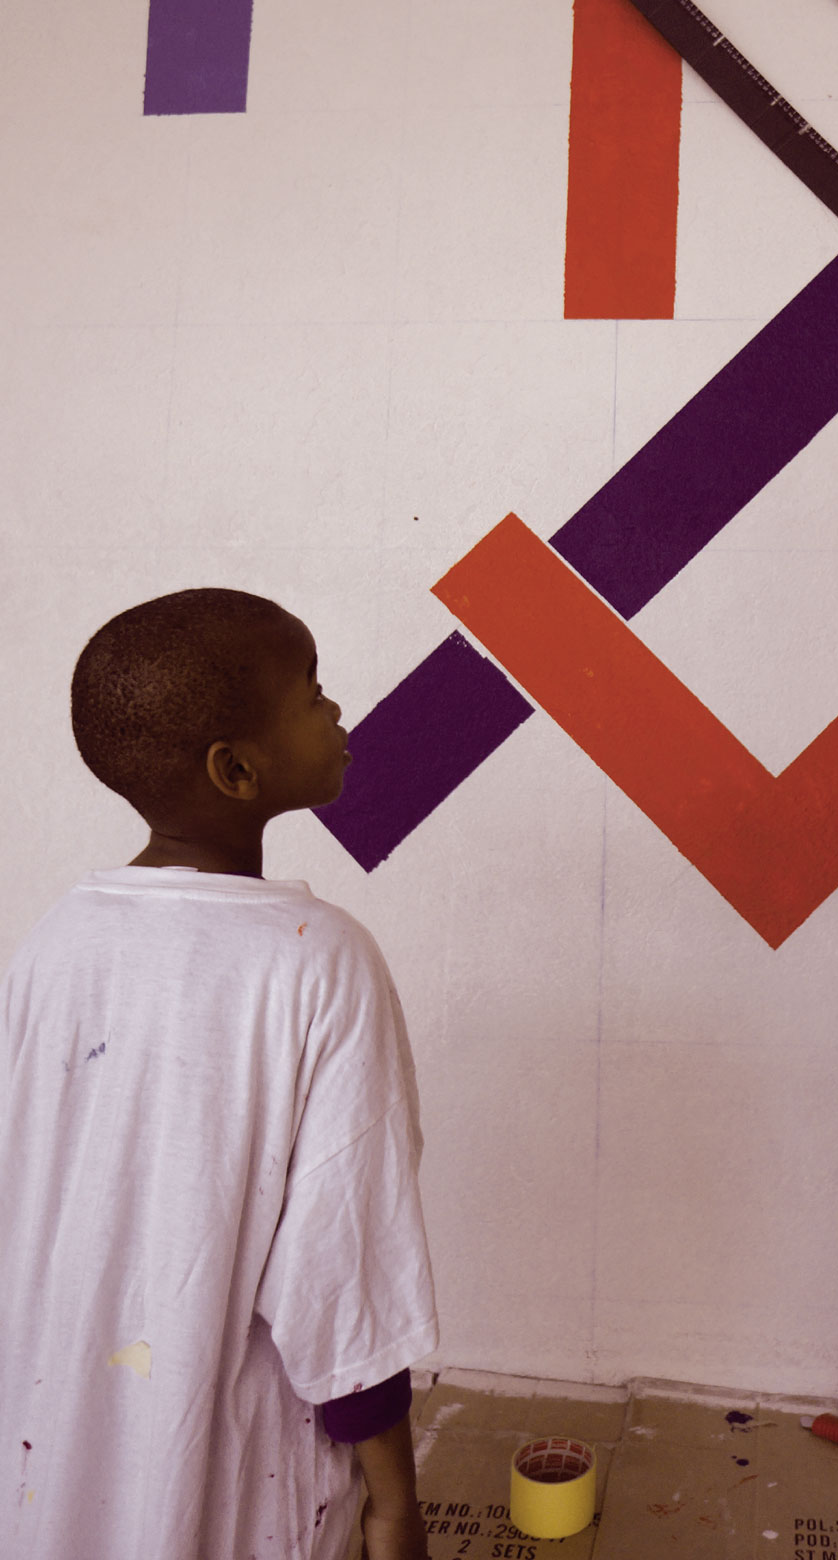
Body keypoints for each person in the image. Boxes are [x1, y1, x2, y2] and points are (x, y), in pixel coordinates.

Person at [0, 589, 439, 1560]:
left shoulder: (53, 940)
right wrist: (395, 1506)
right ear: (235, 769)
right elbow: (343, 1280)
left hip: (47, 1467)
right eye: (311, 694)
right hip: (233, 1486)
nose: (336, 712)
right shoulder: (315, 958)